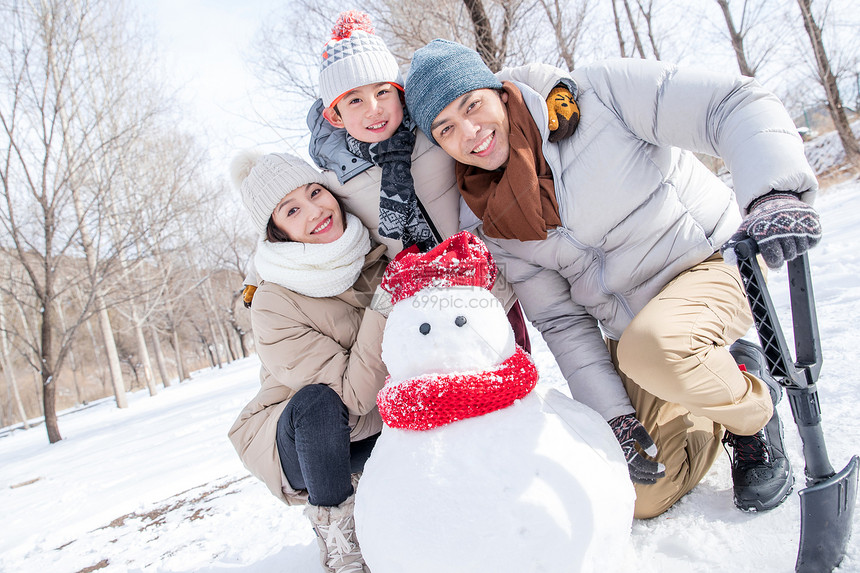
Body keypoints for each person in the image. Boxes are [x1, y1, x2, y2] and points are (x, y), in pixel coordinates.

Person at [403, 39, 822, 519]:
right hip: (637, 334)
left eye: (471, 104)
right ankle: (724, 376)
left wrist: (772, 193)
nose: (470, 132)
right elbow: (561, 320)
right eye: (446, 128)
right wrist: (616, 419)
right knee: (641, 495)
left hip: (711, 263)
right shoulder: (485, 217)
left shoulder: (600, 95)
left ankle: (753, 419)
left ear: (499, 90)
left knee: (658, 347)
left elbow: (727, 104)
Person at [302, 10, 580, 353]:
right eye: (355, 99)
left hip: (487, 292)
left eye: (383, 92)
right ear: (335, 115)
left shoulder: (436, 129)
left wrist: (554, 87)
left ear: (400, 92)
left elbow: (493, 84)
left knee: (517, 383)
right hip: (423, 317)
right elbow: (296, 220)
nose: (374, 108)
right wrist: (256, 278)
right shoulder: (335, 176)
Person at [227, 151, 392, 573]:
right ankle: (341, 545)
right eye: (292, 210)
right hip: (301, 439)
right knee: (318, 402)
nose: (315, 211)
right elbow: (352, 396)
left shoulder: (369, 253)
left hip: (372, 421)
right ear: (277, 231)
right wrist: (387, 300)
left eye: (315, 192)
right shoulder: (272, 301)